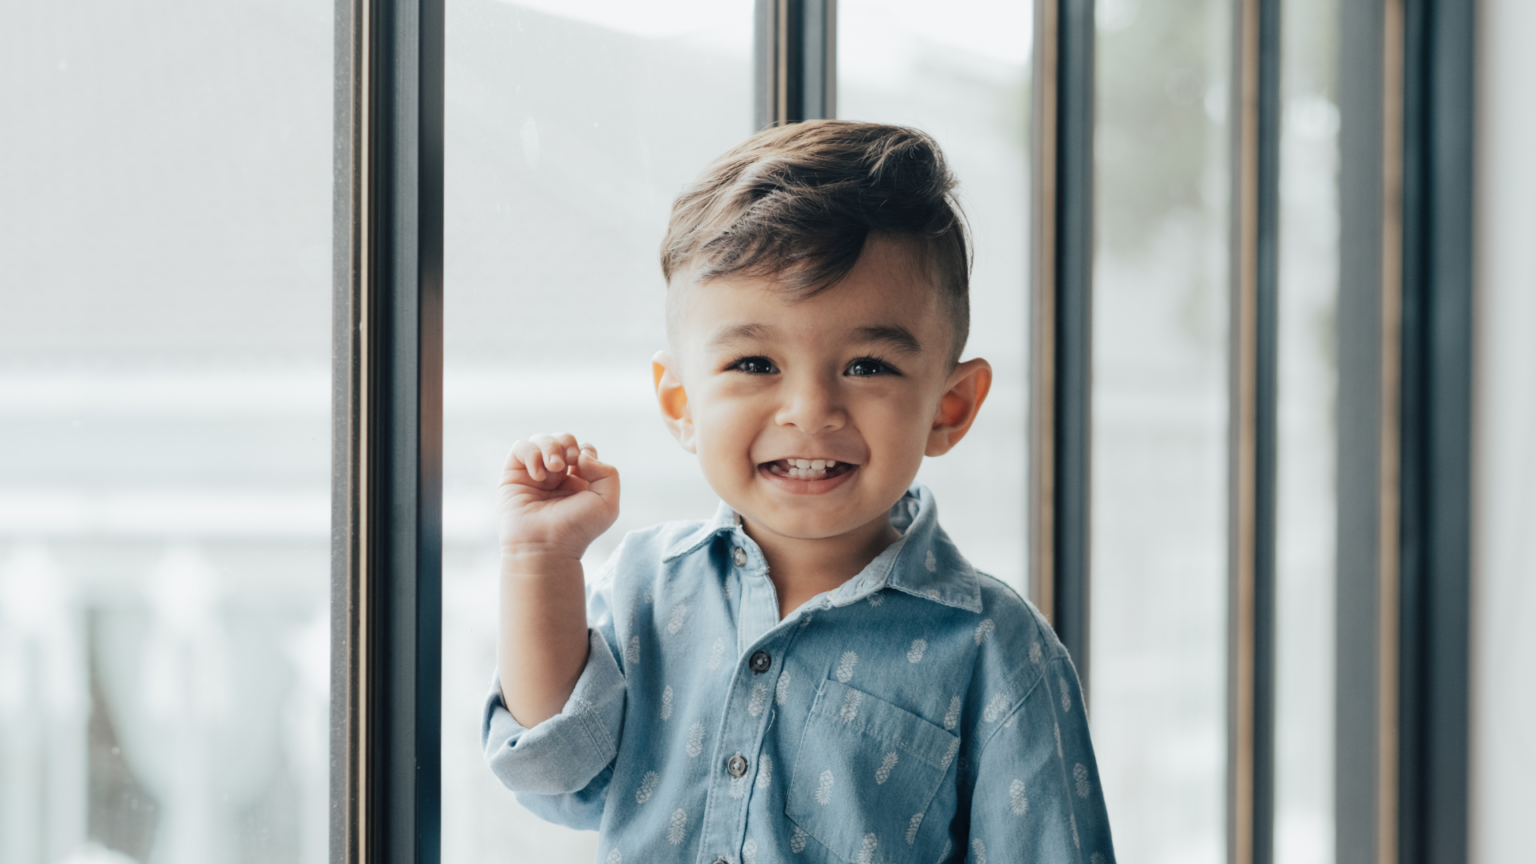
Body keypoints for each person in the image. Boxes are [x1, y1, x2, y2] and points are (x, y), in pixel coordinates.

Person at [484, 120, 1115, 864]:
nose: (810, 410)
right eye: (755, 363)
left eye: (869, 365)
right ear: (681, 404)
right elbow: (556, 780)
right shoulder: (644, 584)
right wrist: (538, 560)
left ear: (950, 407)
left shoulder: (997, 648)